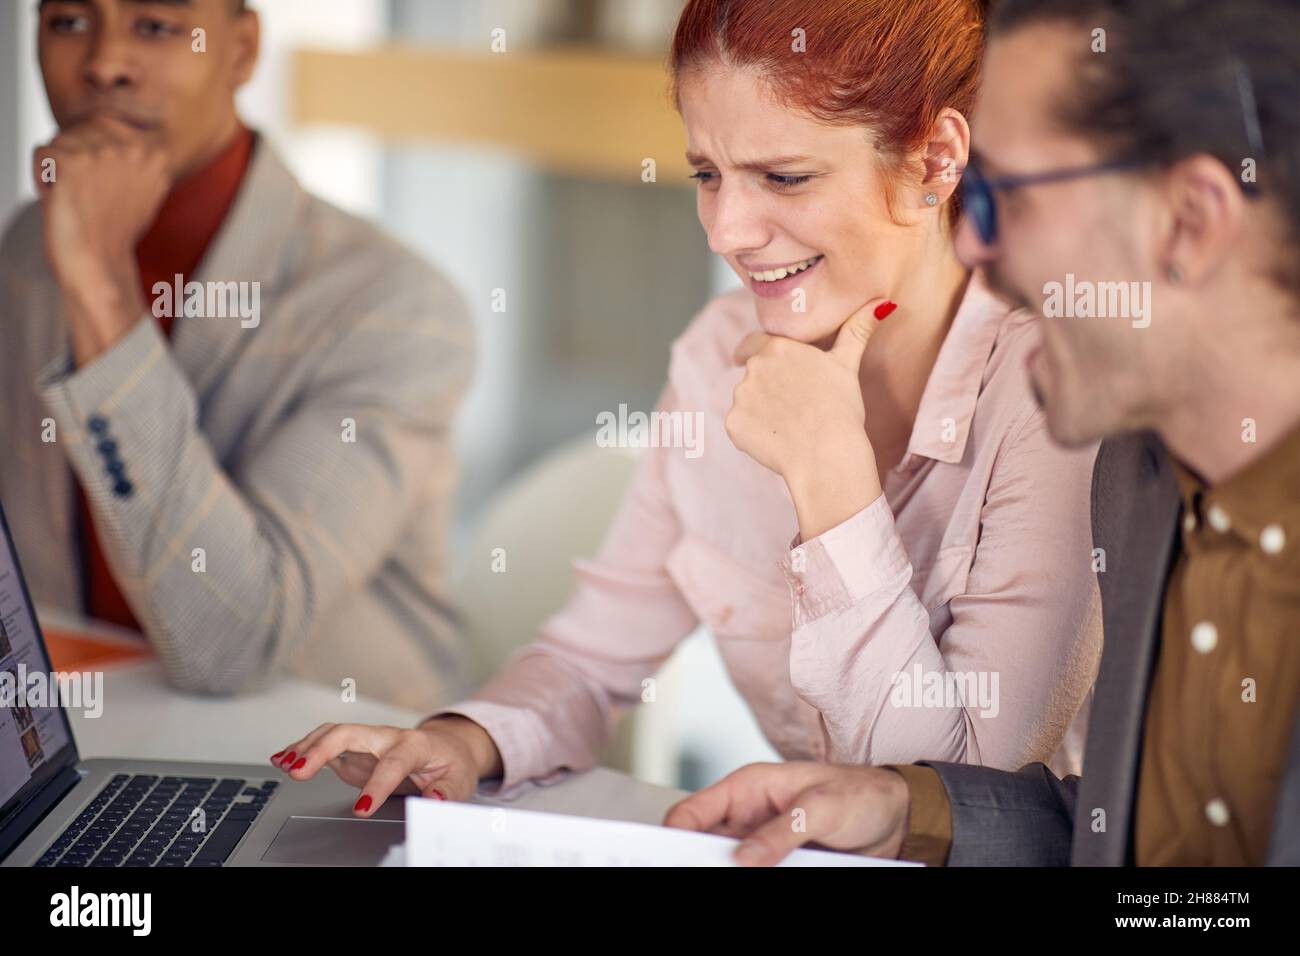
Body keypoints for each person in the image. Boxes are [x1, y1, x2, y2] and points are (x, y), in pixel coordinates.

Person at [274, 0, 1104, 811]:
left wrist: (832, 482)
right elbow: (590, 661)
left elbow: (959, 802)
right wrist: (462, 741)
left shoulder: (1059, 392)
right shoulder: (718, 354)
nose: (726, 231)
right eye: (707, 175)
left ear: (935, 160)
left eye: (785, 177)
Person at [663, 0, 1300, 867]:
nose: (970, 244)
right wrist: (910, 808)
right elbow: (1143, 842)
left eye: (1009, 197)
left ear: (1190, 221)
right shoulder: (1141, 487)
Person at [0, 0, 473, 708]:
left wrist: (100, 286)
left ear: (242, 49)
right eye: (68, 21)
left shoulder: (397, 307)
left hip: (330, 743)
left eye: (155, 26)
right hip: (96, 723)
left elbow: (232, 644)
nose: (103, 64)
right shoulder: (26, 251)